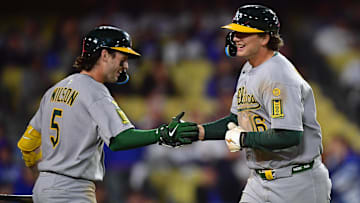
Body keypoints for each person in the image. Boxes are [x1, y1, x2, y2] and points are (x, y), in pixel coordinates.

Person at [16, 25, 198, 203]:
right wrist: (162, 134)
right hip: (72, 190)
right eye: (122, 58)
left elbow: (27, 144)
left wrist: (41, 179)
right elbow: (119, 140)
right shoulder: (94, 91)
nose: (125, 65)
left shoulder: (54, 90)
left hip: (45, 187)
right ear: (104, 55)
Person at [176, 5, 332, 203]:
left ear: (265, 38)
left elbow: (289, 135)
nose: (235, 38)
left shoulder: (279, 75)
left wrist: (243, 140)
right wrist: (198, 131)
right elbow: (236, 120)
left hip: (296, 182)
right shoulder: (249, 69)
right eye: (235, 32)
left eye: (244, 33)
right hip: (260, 180)